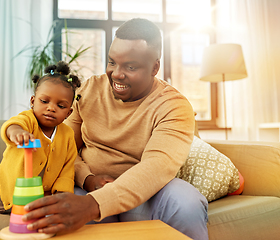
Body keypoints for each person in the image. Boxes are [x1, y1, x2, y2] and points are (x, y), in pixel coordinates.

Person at [21, 18, 208, 240]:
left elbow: (156, 167)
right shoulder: (89, 89)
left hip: (148, 195)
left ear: (154, 68)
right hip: (89, 188)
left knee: (186, 202)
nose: (116, 74)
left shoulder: (173, 106)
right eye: (112, 62)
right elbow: (63, 146)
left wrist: (94, 205)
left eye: (131, 67)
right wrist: (87, 179)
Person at [0, 61, 81, 212]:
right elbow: (14, 124)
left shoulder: (67, 134)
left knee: (29, 216)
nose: (51, 108)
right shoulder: (29, 119)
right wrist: (17, 132)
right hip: (7, 183)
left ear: (69, 113)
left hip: (37, 191)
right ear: (32, 101)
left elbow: (67, 168)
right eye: (44, 101)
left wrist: (62, 194)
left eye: (61, 106)